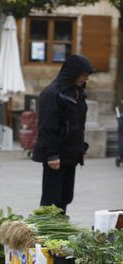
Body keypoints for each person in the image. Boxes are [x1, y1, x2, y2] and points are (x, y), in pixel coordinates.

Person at [32, 54, 93, 214]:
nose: (86, 79)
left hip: (70, 154)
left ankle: (60, 232)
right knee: (52, 199)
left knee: (65, 197)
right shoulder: (52, 93)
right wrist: (52, 155)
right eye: (84, 74)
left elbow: (78, 125)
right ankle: (47, 233)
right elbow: (46, 126)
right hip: (56, 156)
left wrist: (81, 149)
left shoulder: (78, 92)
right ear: (73, 72)